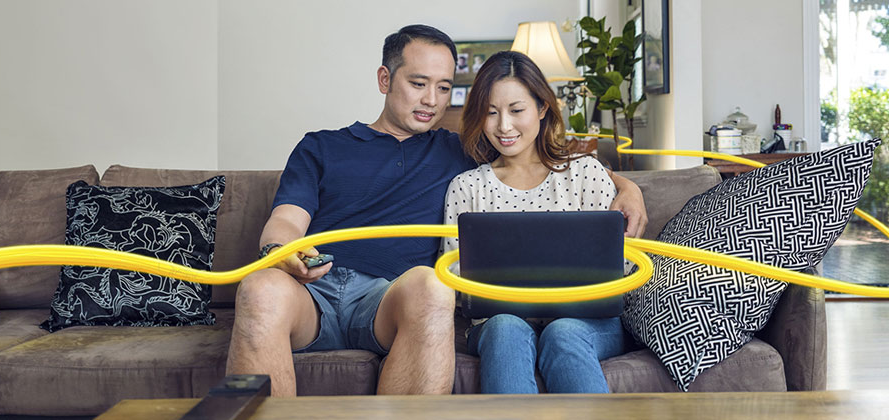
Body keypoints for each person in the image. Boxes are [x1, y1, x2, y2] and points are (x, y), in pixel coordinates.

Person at [226, 24, 647, 397]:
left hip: (390, 299)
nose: (431, 100)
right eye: (418, 83)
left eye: (444, 88)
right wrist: (282, 252)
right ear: (385, 79)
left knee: (432, 285)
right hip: (313, 291)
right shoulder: (321, 146)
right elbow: (286, 220)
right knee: (260, 288)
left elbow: (540, 162)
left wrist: (628, 187)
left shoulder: (459, 151)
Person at [440, 50, 641, 394]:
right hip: (497, 322)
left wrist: (630, 187)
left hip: (586, 322)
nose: (504, 126)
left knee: (563, 332)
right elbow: (455, 279)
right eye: (491, 112)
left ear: (543, 108)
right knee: (505, 327)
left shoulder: (584, 173)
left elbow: (620, 266)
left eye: (516, 110)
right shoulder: (467, 187)